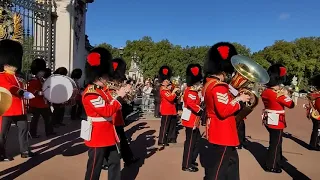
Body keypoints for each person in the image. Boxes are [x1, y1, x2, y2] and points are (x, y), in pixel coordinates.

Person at [199, 42, 250, 180]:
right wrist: (239, 99)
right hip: (223, 132)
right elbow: (223, 110)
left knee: (232, 165)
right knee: (218, 170)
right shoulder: (219, 86)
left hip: (220, 130)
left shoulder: (209, 83)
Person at [82, 47, 126, 180]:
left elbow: (111, 104)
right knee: (94, 168)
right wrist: (119, 98)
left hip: (109, 134)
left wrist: (119, 96)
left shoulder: (102, 90)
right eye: (106, 76)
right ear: (99, 76)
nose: (108, 78)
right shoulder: (91, 93)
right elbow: (107, 110)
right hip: (98, 136)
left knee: (114, 162)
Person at [0, 39, 37, 161]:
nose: (14, 66)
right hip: (6, 109)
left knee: (24, 129)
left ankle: (25, 150)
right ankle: (1, 154)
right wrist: (22, 92)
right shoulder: (2, 76)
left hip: (19, 110)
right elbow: (9, 87)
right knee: (2, 134)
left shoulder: (18, 78)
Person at [101, 57, 139, 170]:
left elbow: (128, 99)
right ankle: (104, 161)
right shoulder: (107, 85)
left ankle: (128, 158)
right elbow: (112, 100)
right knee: (109, 141)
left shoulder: (117, 84)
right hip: (110, 117)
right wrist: (121, 93)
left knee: (121, 139)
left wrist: (130, 91)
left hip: (117, 116)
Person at [261, 64, 295, 173]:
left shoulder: (266, 92)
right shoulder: (277, 95)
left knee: (275, 142)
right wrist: (287, 94)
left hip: (268, 119)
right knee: (275, 144)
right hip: (277, 121)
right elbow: (291, 104)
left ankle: (277, 160)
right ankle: (271, 165)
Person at [181, 63, 203, 172]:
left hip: (193, 120)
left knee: (196, 140)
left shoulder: (192, 91)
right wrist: (200, 109)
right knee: (190, 143)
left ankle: (190, 159)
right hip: (191, 120)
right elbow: (190, 103)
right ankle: (186, 164)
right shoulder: (191, 91)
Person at [27, 58, 56, 138]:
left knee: (49, 118)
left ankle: (49, 131)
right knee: (35, 120)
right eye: (42, 71)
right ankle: (32, 134)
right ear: (38, 71)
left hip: (43, 104)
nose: (43, 72)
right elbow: (30, 89)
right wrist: (38, 92)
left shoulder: (41, 80)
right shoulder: (33, 80)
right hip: (36, 104)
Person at [158, 65, 179, 148]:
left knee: (169, 126)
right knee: (164, 126)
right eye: (166, 81)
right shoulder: (163, 90)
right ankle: (161, 140)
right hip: (166, 110)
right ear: (163, 82)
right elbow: (170, 98)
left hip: (170, 110)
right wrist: (173, 91)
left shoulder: (167, 89)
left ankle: (167, 138)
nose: (167, 82)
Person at [306, 74, 320, 151]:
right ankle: (314, 144)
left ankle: (314, 143)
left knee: (316, 129)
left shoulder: (315, 94)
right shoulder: (318, 96)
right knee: (317, 130)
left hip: (314, 113)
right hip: (317, 114)